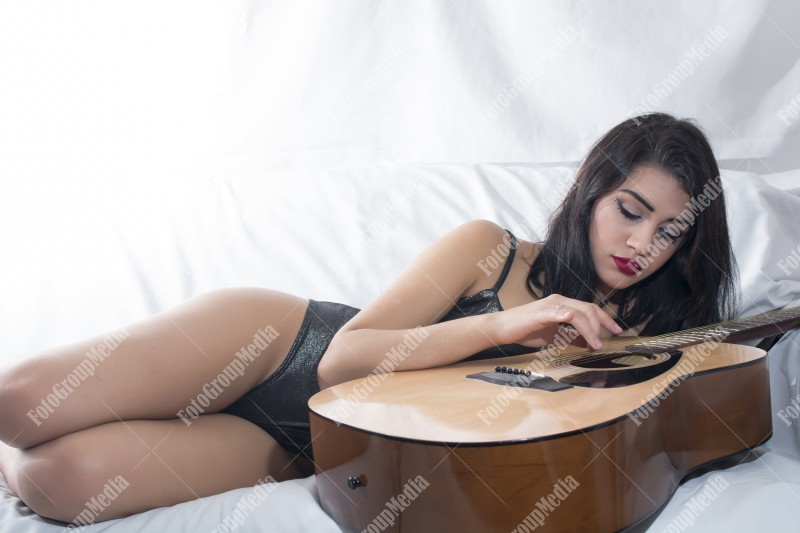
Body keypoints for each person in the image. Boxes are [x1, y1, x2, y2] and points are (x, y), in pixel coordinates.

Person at [0, 112, 738, 525]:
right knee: (25, 402)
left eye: (672, 231)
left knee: (58, 480)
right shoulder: (493, 250)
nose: (644, 243)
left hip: (314, 447)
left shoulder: (644, 347)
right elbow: (343, 361)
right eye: (631, 212)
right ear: (590, 194)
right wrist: (499, 327)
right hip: (279, 348)